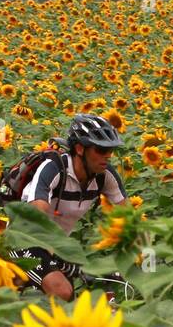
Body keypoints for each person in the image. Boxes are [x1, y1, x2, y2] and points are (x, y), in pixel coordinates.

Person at [8, 114, 128, 301]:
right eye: (100, 150)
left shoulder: (105, 175)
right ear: (80, 148)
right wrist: (58, 255)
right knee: (61, 291)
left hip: (59, 245)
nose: (107, 156)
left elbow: (128, 216)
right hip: (24, 239)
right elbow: (36, 215)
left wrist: (147, 254)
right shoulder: (54, 168)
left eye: (110, 150)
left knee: (79, 296)